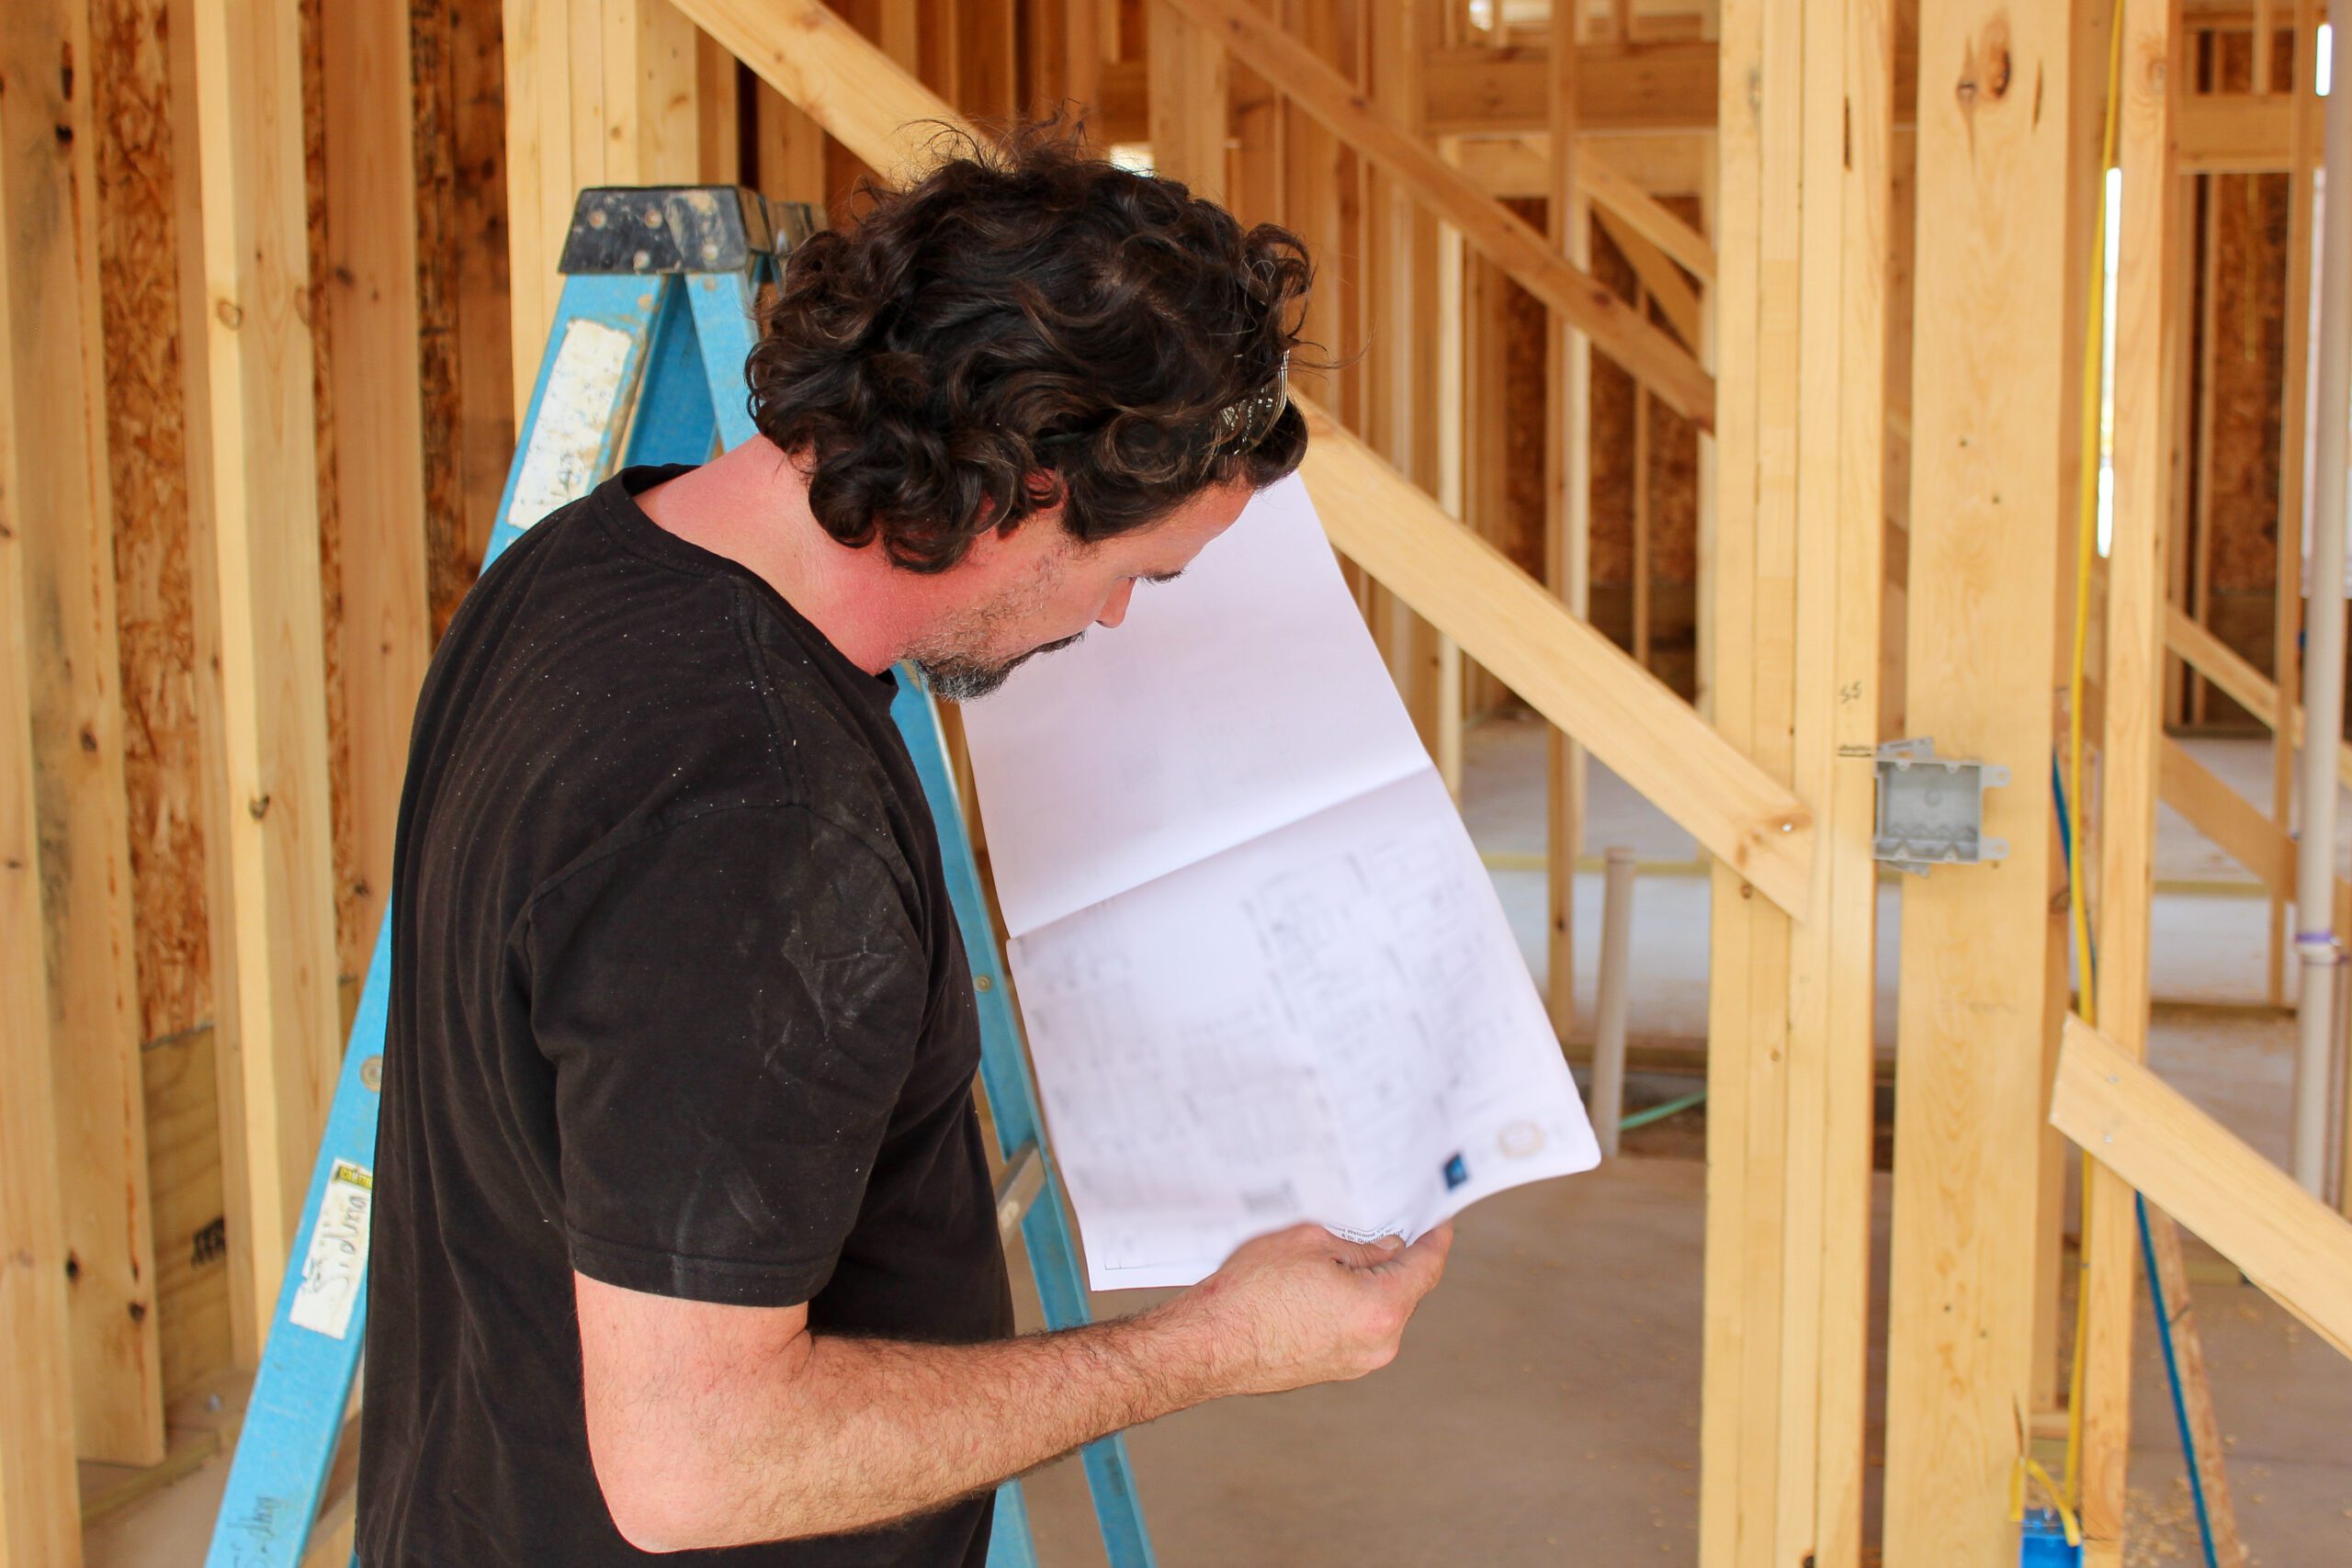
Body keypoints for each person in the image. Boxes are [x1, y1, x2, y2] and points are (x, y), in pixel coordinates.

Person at [356, 123, 1453, 1567]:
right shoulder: (758, 822)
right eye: (1135, 573)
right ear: (1021, 490)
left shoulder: (583, 560)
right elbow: (698, 1466)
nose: (1114, 621)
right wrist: (1204, 1349)